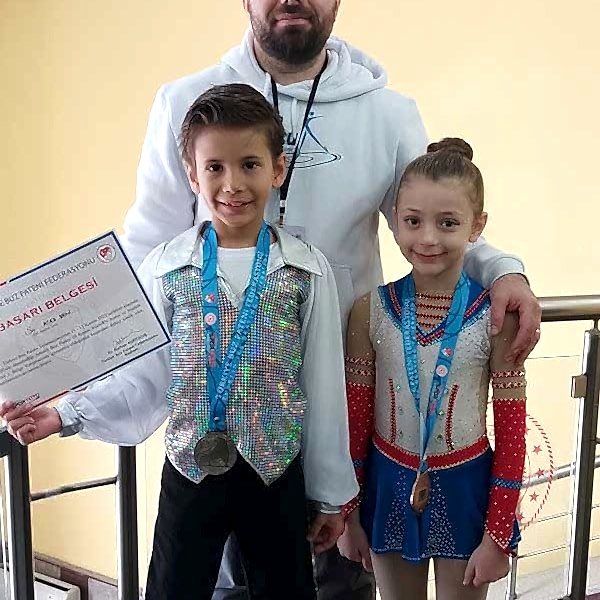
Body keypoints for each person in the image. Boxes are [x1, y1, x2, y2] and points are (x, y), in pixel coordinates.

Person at [123, 2, 541, 597]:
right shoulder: (186, 103)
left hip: (345, 405)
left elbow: (433, 213)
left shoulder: (388, 113)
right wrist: (73, 396)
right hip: (223, 416)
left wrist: (503, 271)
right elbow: (145, 256)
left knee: (333, 587)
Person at [0, 84, 358, 600]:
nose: (233, 184)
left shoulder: (305, 268)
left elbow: (323, 387)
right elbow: (143, 377)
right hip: (191, 469)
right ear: (192, 175)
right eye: (214, 167)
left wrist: (328, 495)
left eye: (250, 165)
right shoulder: (166, 267)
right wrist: (64, 415)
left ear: (277, 169)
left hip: (275, 471)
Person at [337, 138, 527, 600]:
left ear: (477, 225)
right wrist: (350, 514)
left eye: (448, 223)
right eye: (413, 221)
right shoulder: (369, 311)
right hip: (388, 481)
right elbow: (356, 426)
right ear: (394, 219)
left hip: (466, 485)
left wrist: (498, 535)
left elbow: (512, 435)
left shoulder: (496, 319)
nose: (427, 238)